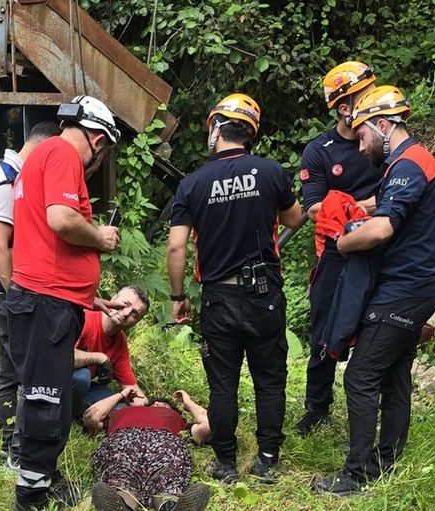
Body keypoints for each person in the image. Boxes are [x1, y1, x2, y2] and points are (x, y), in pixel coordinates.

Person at [312, 85, 435, 495]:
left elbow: (383, 229)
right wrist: (354, 207)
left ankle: (354, 475)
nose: (360, 146)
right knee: (394, 375)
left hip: (403, 290)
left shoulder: (408, 166)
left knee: (360, 376)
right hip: (417, 287)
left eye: (363, 136)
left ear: (383, 126)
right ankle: (386, 462)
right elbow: (383, 207)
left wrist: (343, 241)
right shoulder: (408, 164)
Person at [166, 93, 303, 484]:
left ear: (215, 126)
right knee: (270, 379)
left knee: (222, 383)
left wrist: (178, 297)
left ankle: (225, 463)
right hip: (264, 294)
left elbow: (176, 247)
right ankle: (267, 461)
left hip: (219, 297)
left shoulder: (193, 184)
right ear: (250, 133)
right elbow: (295, 218)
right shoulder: (271, 172)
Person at [4, 95, 123, 511]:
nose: (98, 162)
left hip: (47, 299)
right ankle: (32, 496)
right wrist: (100, 237)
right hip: (45, 303)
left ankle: (45, 477)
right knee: (46, 401)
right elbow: (61, 220)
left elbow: (45, 243)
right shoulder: (63, 153)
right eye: (103, 153)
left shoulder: (40, 157)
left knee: (47, 395)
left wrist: (91, 298)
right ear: (97, 139)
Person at [297, 61, 380, 435]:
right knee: (324, 330)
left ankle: (373, 406)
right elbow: (314, 207)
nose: (372, 100)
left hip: (379, 245)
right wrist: (362, 207)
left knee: (377, 326)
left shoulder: (382, 141)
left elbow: (401, 191)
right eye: (364, 96)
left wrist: (350, 207)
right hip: (334, 251)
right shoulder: (320, 151)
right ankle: (317, 408)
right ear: (344, 107)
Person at [0, 121, 61, 467]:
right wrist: (16, 297)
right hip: (4, 290)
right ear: (43, 147)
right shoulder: (7, 182)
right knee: (23, 372)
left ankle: (8, 447)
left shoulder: (3, 169)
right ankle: (17, 452)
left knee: (8, 368)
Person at [87, 389, 212, 511]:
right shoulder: (122, 412)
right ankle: (121, 503)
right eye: (154, 403)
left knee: (167, 474)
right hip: (123, 441)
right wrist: (121, 395)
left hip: (165, 445)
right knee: (121, 472)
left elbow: (208, 425)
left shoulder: (179, 421)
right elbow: (91, 417)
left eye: (164, 405)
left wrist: (188, 403)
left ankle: (171, 505)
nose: (157, 404)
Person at [72, 285, 151, 418]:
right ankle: (63, 413)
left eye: (134, 314)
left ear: (136, 322)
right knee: (82, 377)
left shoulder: (120, 343)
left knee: (116, 403)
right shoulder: (84, 317)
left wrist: (152, 411)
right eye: (125, 304)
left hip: (79, 388)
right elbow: (60, 357)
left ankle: (87, 413)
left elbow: (131, 388)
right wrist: (100, 358)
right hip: (49, 376)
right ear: (113, 299)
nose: (126, 313)